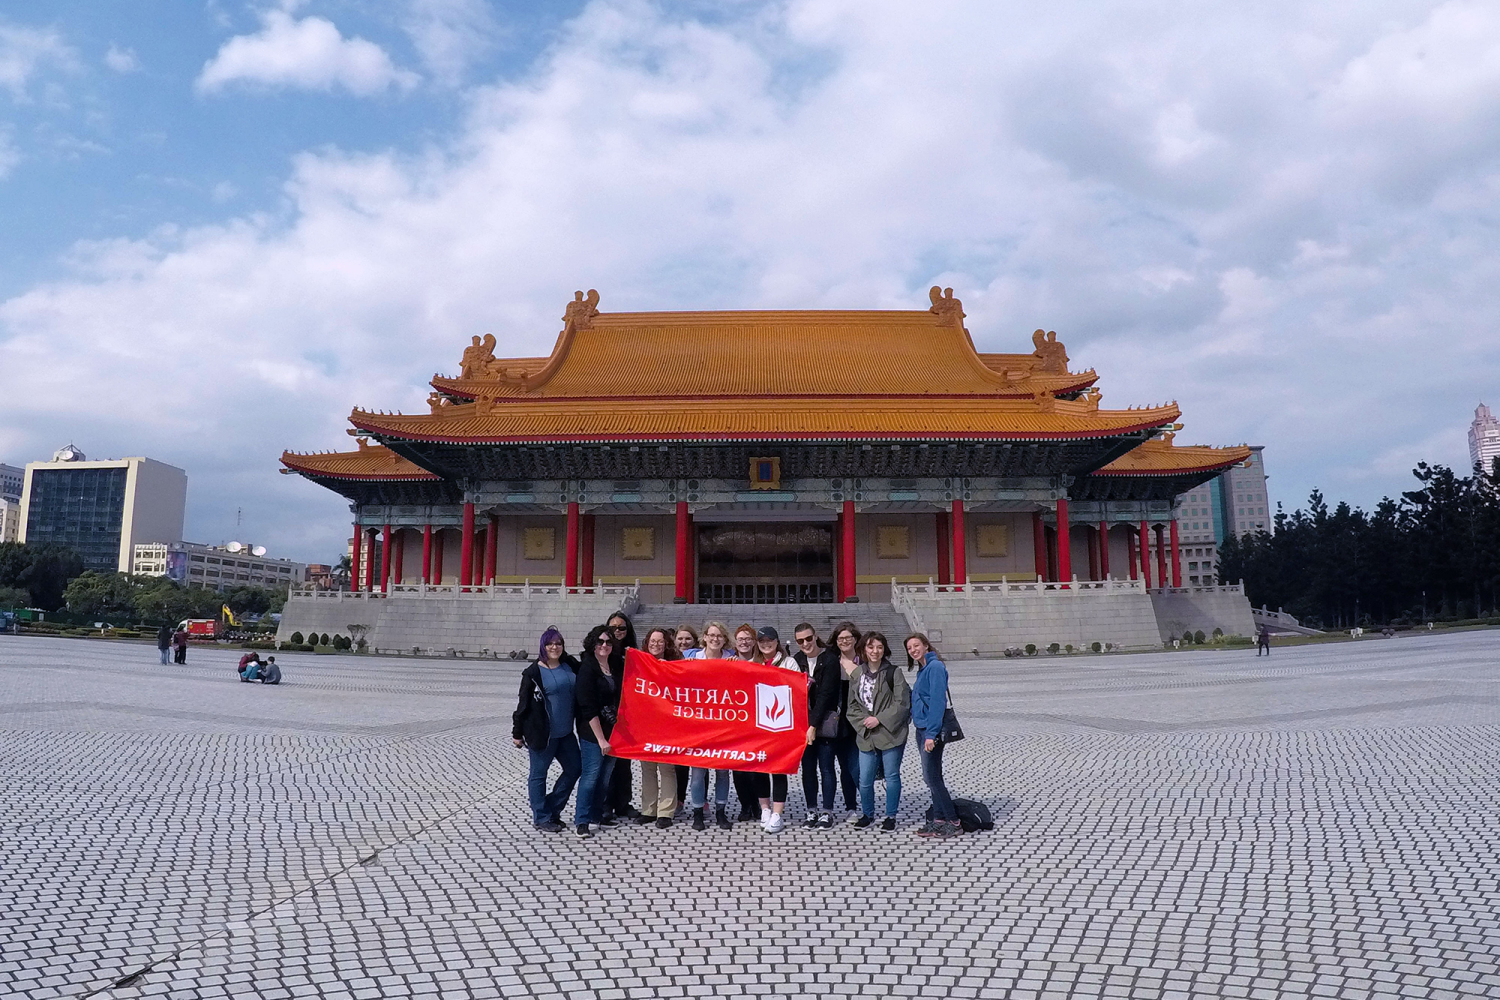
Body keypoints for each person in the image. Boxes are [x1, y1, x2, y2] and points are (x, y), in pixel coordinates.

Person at [512, 627, 581, 833]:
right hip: (543, 733)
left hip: (566, 733)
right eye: (550, 644)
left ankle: (551, 807)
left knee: (575, 768)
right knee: (538, 775)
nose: (554, 647)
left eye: (558, 643)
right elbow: (523, 705)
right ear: (543, 646)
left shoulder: (569, 665)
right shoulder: (533, 673)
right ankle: (541, 816)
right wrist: (517, 732)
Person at [846, 631, 910, 831]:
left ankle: (890, 816)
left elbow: (902, 703)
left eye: (879, 647)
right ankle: (867, 814)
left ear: (885, 650)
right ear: (864, 649)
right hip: (866, 735)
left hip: (890, 733)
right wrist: (863, 722)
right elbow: (852, 706)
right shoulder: (857, 674)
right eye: (871, 647)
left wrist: (879, 719)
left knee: (891, 776)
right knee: (864, 779)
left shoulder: (894, 672)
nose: (875, 651)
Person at [906, 634, 959, 839]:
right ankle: (938, 820)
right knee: (933, 776)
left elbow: (938, 702)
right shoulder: (924, 668)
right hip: (922, 729)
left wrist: (931, 734)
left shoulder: (935, 668)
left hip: (930, 731)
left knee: (932, 778)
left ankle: (952, 821)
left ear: (926, 645)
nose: (913, 650)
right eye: (909, 647)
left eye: (916, 645)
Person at [573, 625, 621, 838]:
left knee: (605, 776)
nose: (604, 645)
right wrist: (601, 739)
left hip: (615, 730)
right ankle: (581, 820)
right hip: (593, 732)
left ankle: (596, 815)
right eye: (600, 641)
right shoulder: (587, 668)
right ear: (592, 643)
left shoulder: (615, 664)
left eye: (608, 642)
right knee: (591, 776)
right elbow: (587, 706)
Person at [685, 620, 734, 830]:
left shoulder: (731, 659)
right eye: (711, 635)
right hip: (698, 724)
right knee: (698, 773)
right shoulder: (690, 658)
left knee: (722, 771)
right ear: (704, 637)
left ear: (724, 640)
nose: (715, 639)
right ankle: (698, 812)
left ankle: (721, 812)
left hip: (724, 723)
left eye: (719, 636)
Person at [751, 626, 800, 833]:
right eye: (762, 641)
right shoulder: (753, 663)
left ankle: (778, 813)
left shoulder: (788, 662)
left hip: (780, 723)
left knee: (779, 769)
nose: (766, 644)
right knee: (760, 767)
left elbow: (798, 687)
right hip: (757, 725)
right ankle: (765, 809)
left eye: (770, 640)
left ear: (777, 641)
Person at [797, 623, 840, 828]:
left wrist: (813, 725)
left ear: (815, 636)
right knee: (807, 769)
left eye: (808, 638)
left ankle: (827, 811)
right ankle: (811, 809)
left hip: (823, 722)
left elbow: (826, 695)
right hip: (802, 725)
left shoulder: (830, 659)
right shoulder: (797, 660)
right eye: (800, 641)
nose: (805, 643)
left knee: (826, 768)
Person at [636, 628, 680, 827]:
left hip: (667, 724)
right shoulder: (639, 664)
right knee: (647, 768)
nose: (656, 644)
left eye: (660, 641)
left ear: (666, 644)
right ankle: (648, 809)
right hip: (645, 723)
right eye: (652, 641)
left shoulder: (674, 665)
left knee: (667, 768)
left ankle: (666, 811)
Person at [604, 612, 639, 822]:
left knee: (624, 765)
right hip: (607, 717)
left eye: (622, 628)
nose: (618, 631)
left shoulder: (633, 654)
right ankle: (605, 804)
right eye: (614, 627)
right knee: (607, 764)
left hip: (627, 716)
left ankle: (623, 803)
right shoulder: (601, 653)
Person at [825, 622, 863, 816]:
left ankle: (854, 806)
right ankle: (837, 808)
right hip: (836, 722)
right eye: (841, 638)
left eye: (848, 638)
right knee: (834, 767)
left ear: (856, 639)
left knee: (852, 768)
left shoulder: (863, 662)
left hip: (857, 722)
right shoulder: (832, 661)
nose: (845, 641)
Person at [729, 623, 762, 821]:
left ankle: (759, 803)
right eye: (740, 639)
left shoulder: (762, 663)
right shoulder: (729, 662)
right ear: (735, 641)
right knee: (738, 768)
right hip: (734, 722)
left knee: (756, 767)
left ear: (754, 642)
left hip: (756, 722)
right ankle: (745, 806)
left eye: (748, 638)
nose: (744, 642)